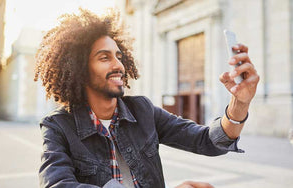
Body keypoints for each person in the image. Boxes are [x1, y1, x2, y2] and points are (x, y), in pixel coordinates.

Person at [34, 9, 259, 188]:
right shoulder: (58, 126)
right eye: (104, 57)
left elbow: (208, 141)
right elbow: (58, 184)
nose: (118, 65)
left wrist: (240, 103)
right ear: (79, 70)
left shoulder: (142, 110)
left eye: (119, 57)